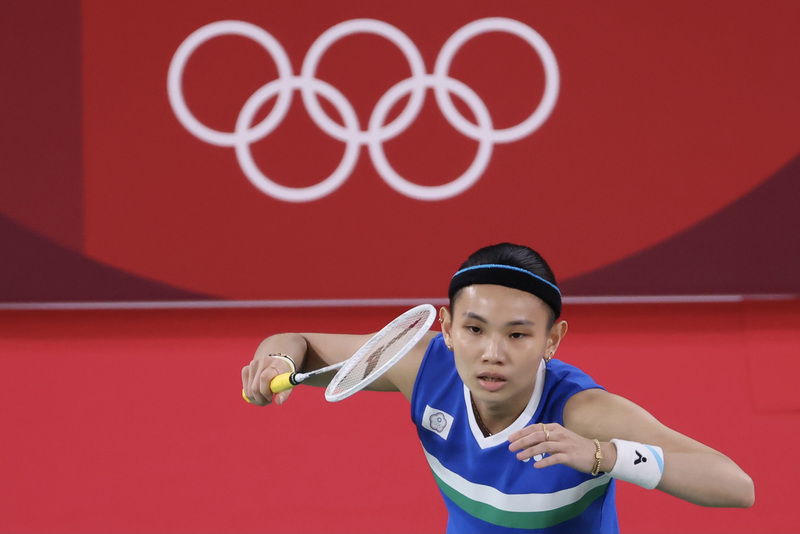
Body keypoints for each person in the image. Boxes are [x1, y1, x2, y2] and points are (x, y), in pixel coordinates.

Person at [241, 242, 755, 533]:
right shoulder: (419, 367)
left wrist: (604, 454)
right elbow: (299, 343)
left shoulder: (582, 413)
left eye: (517, 334)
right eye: (474, 329)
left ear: (553, 339)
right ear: (445, 328)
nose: (492, 352)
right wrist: (278, 361)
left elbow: (735, 485)